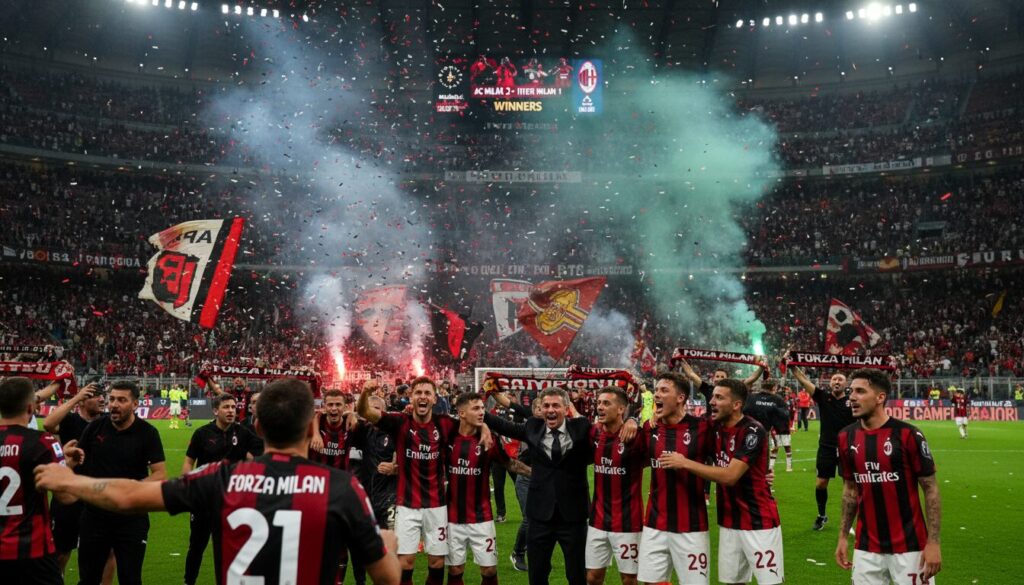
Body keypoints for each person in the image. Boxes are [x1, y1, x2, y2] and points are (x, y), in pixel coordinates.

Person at [36, 378, 402, 585]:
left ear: (256, 426)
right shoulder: (342, 488)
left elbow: (129, 495)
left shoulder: (221, 478)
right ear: (311, 428)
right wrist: (386, 543)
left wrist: (69, 481)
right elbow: (387, 577)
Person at [484, 387, 637, 585]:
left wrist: (632, 420)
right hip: (539, 517)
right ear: (540, 409)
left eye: (556, 405)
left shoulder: (581, 427)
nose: (550, 410)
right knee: (537, 576)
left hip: (573, 518)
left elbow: (611, 426)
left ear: (566, 408)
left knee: (577, 576)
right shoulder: (532, 426)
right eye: (546, 405)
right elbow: (504, 426)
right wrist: (481, 415)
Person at [659, 379, 784, 585]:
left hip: (758, 521)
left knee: (769, 582)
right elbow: (683, 424)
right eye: (713, 397)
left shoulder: (753, 430)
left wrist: (684, 463)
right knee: (733, 582)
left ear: (736, 404)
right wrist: (637, 419)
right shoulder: (714, 427)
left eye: (719, 397)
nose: (711, 402)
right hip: (729, 521)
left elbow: (730, 476)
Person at [836, 369, 942, 585]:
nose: (852, 397)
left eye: (860, 391)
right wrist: (843, 536)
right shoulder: (846, 437)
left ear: (880, 397)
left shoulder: (908, 434)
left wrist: (933, 542)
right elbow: (850, 491)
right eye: (850, 391)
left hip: (911, 546)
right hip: (866, 547)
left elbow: (930, 488)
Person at [358, 377, 457, 585]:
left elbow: (470, 425)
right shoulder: (400, 422)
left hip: (437, 505)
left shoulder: (444, 423)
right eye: (418, 392)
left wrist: (484, 429)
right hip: (407, 505)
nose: (423, 397)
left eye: (427, 393)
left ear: (435, 398)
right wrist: (365, 393)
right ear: (411, 397)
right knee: (405, 563)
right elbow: (365, 412)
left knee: (437, 562)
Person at [75, 380, 166, 585]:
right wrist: (70, 458)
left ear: (135, 404)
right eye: (112, 399)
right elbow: (77, 462)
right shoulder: (95, 427)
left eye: (122, 400)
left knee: (130, 579)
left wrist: (129, 491)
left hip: (131, 517)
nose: (114, 405)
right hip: (95, 515)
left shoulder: (148, 432)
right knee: (88, 579)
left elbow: (160, 474)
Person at [0, 376, 83, 585]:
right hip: (33, 551)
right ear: (31, 408)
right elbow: (66, 496)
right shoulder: (43, 443)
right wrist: (66, 467)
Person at [637, 373, 713, 585]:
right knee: (652, 582)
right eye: (656, 390)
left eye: (664, 390)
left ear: (680, 398)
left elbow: (726, 460)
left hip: (691, 525)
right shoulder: (650, 428)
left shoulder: (702, 428)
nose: (657, 395)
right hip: (654, 522)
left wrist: (761, 473)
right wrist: (632, 422)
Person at [181, 393, 261, 585]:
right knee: (197, 546)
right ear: (215, 411)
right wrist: (190, 487)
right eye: (226, 407)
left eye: (233, 407)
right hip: (205, 500)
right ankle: (189, 582)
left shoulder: (243, 433)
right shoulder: (202, 433)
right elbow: (188, 462)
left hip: (232, 502)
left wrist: (246, 457)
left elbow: (260, 458)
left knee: (231, 549)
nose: (231, 411)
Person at [446, 393, 525, 585]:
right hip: (452, 517)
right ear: (462, 413)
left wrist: (538, 473)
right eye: (476, 408)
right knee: (455, 569)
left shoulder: (489, 440)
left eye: (482, 408)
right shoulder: (447, 436)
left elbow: (510, 464)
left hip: (482, 517)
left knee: (489, 570)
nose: (482, 411)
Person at [42, 382, 113, 580]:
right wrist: (76, 397)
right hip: (69, 493)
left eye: (102, 395)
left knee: (106, 551)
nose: (102, 399)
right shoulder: (70, 420)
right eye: (96, 396)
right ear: (82, 401)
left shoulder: (107, 422)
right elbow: (48, 424)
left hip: (97, 492)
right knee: (61, 551)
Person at [585, 387, 646, 585]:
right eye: (599, 403)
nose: (600, 407)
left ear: (621, 409)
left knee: (629, 579)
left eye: (606, 403)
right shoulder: (593, 433)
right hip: (598, 520)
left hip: (628, 521)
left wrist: (633, 420)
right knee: (592, 577)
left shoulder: (636, 437)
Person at [790, 363, 855, 530]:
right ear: (830, 383)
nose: (837, 382)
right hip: (826, 447)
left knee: (849, 486)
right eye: (834, 379)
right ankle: (821, 515)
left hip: (847, 448)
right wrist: (793, 368)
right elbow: (804, 381)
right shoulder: (823, 397)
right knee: (820, 484)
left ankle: (847, 520)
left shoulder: (852, 401)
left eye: (840, 379)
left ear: (846, 384)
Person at [745, 380, 792, 472]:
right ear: (774, 387)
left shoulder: (751, 397)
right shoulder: (777, 399)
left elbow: (744, 410)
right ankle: (764, 478)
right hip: (764, 432)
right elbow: (785, 415)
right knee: (763, 457)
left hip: (748, 431)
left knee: (748, 454)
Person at [310, 389, 357, 469]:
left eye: (338, 404)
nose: (334, 408)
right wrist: (316, 433)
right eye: (330, 405)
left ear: (345, 407)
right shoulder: (315, 423)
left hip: (341, 475)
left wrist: (353, 414)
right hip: (318, 475)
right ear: (324, 407)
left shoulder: (350, 424)